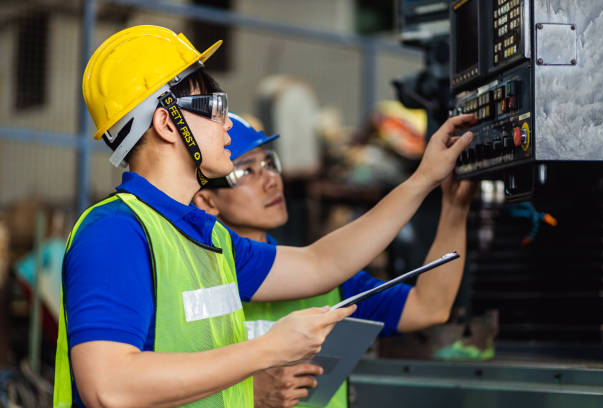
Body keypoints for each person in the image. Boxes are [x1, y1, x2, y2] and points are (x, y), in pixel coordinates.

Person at [54, 25, 477, 408]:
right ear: (167, 123)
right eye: (214, 106)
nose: (226, 125)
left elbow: (320, 264)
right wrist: (270, 350)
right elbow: (108, 387)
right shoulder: (115, 232)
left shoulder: (206, 238)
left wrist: (423, 180)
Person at [192, 113, 475, 408]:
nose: (271, 180)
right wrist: (246, 395)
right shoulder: (196, 289)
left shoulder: (327, 280)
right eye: (245, 171)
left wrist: (456, 208)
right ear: (206, 200)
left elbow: (429, 307)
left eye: (268, 163)